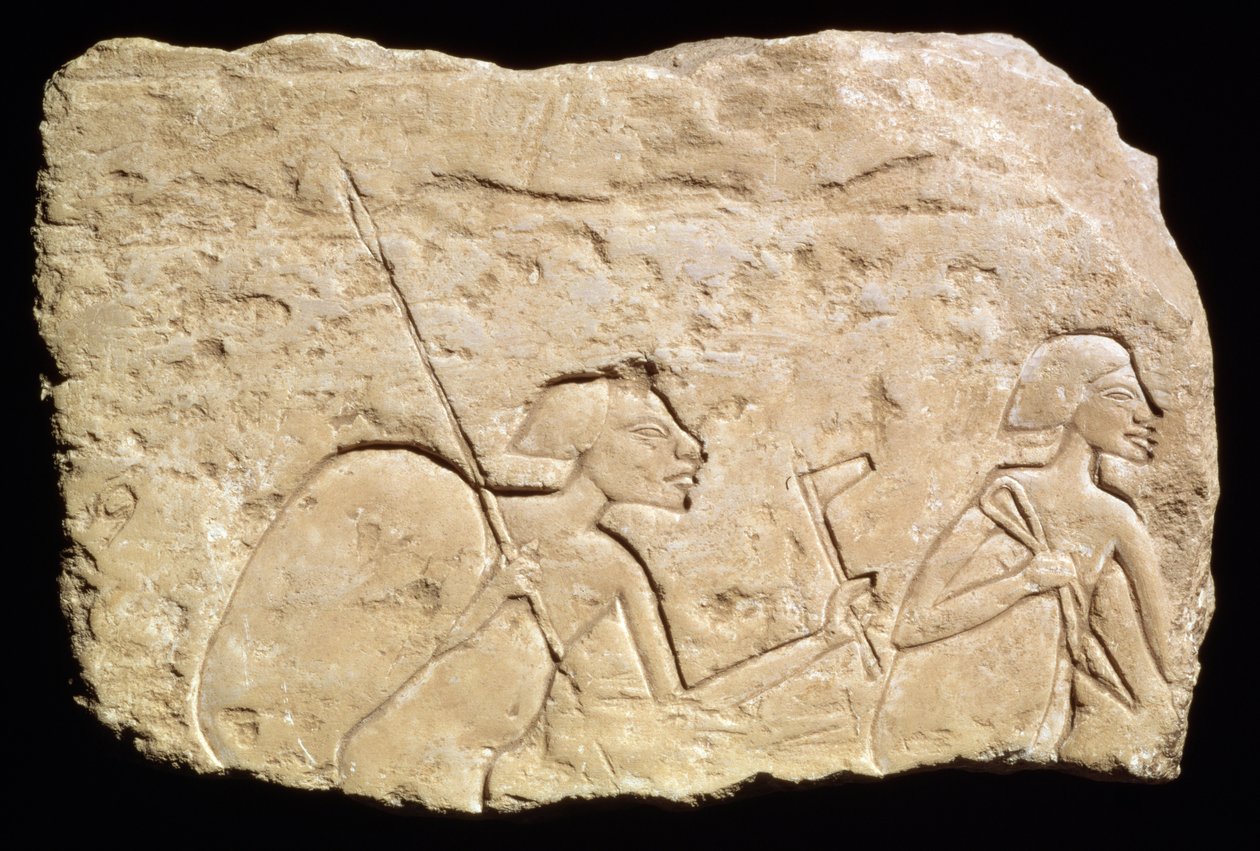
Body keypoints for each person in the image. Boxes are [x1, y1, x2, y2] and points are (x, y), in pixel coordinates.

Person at [337, 360, 863, 810]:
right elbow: (391, 643)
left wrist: (827, 638)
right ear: (582, 443)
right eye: (650, 435)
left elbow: (681, 702)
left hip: (468, 773)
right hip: (393, 759)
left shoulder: (615, 567)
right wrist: (495, 590)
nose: (690, 451)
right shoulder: (480, 520)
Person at [869, 335, 1174, 772]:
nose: (1144, 415)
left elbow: (1166, 655)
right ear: (1068, 401)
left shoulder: (1116, 518)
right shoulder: (1005, 495)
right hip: (932, 710)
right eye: (1121, 396)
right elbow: (910, 627)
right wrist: (1023, 583)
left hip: (1033, 716)